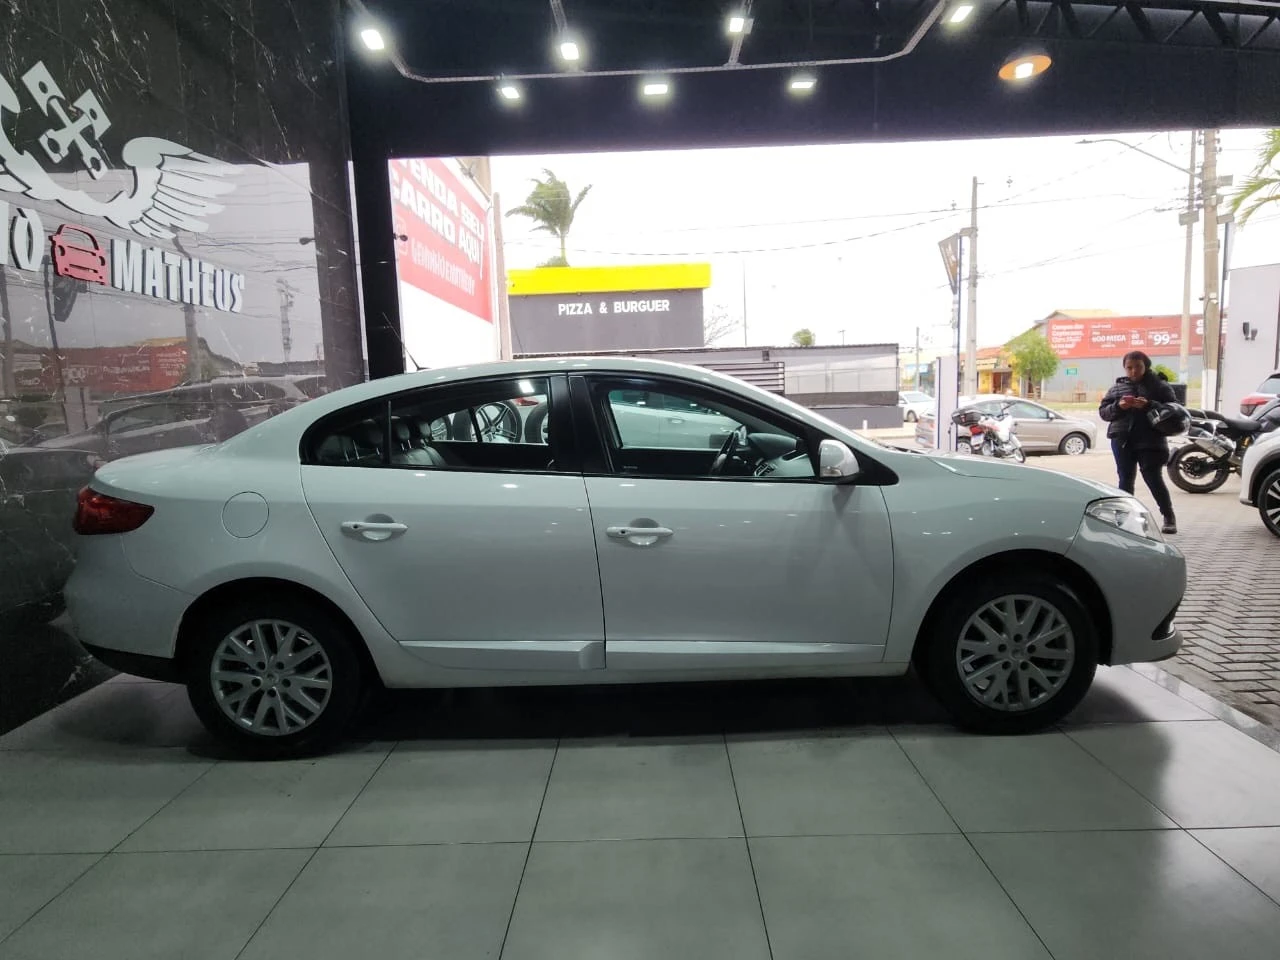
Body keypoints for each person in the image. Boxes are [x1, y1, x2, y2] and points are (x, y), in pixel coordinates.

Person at [1099, 350, 1179, 534]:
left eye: (1138, 367)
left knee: (1153, 478)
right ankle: (1123, 520)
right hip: (1122, 439)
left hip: (1150, 440)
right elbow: (1104, 412)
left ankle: (1168, 517)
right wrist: (1118, 406)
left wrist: (1149, 405)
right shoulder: (1117, 388)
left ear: (1146, 366)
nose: (1133, 371)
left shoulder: (1159, 386)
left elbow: (1174, 410)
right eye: (1129, 367)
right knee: (1125, 479)